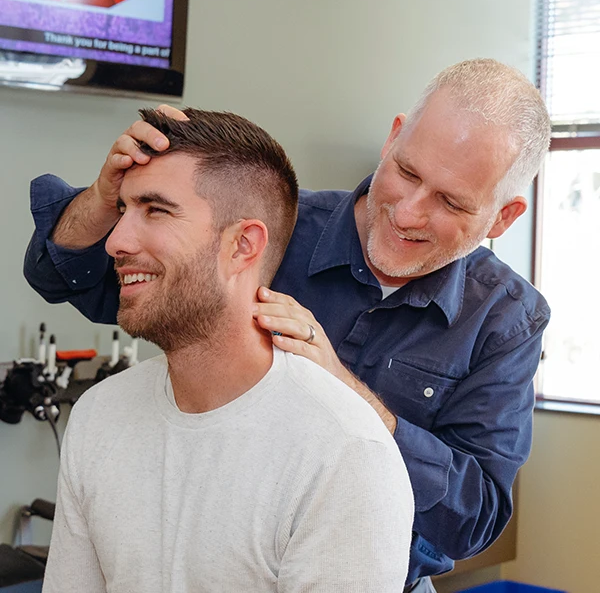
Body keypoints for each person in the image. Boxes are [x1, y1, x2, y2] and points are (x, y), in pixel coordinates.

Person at [25, 58, 551, 592]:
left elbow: (474, 520)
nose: (409, 213)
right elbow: (68, 275)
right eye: (408, 173)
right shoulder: (280, 228)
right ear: (393, 138)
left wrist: (350, 395)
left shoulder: (507, 319)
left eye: (451, 202)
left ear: (503, 218)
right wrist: (103, 197)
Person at [41, 108, 414, 593]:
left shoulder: (344, 453)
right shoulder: (98, 416)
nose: (116, 242)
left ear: (242, 246)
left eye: (155, 210)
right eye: (122, 211)